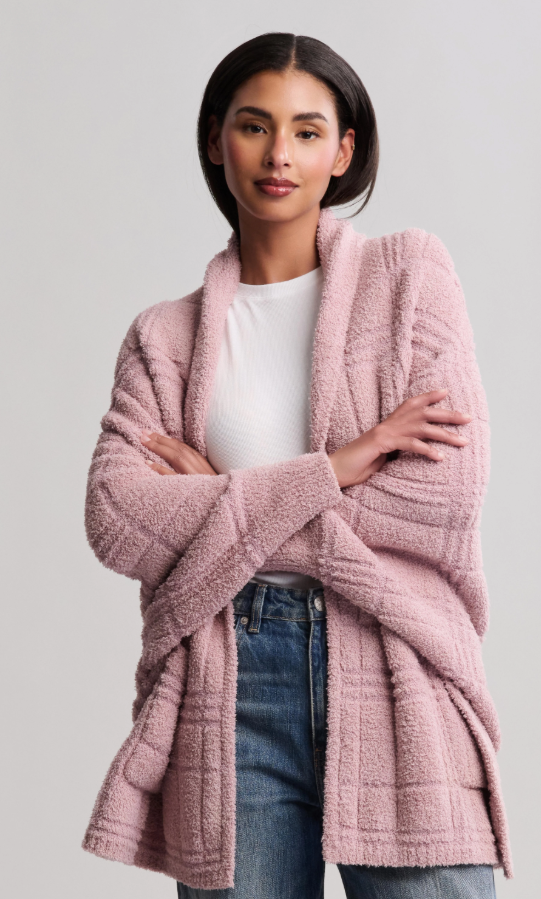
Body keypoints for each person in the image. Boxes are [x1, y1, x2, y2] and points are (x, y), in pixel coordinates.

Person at [82, 32, 511, 899]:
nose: (280, 154)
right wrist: (337, 467)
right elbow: (117, 518)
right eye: (254, 126)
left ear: (342, 151)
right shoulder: (164, 337)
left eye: (307, 131)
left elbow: (443, 495)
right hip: (226, 684)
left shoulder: (409, 278)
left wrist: (219, 500)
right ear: (217, 141)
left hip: (396, 665)